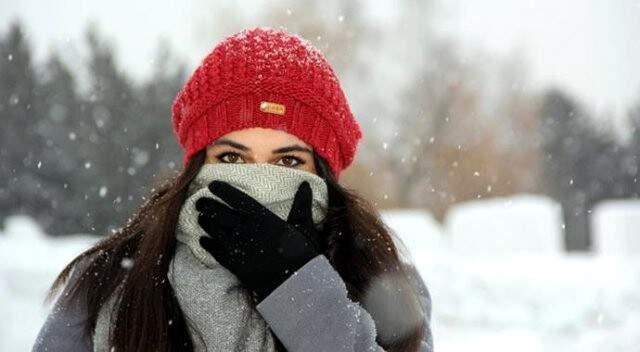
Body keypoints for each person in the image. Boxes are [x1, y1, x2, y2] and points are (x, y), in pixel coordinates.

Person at [32, 26, 434, 352]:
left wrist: (298, 288)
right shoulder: (109, 282)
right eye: (231, 159)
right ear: (198, 165)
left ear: (323, 172)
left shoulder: (380, 280)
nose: (257, 181)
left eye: (288, 162)